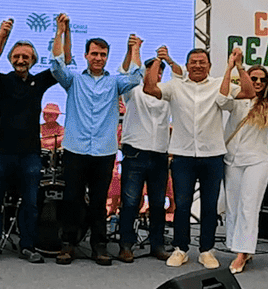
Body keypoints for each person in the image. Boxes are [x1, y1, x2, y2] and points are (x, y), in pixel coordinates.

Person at [50, 14, 143, 266]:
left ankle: (99, 246)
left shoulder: (114, 82)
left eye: (102, 55)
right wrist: (60, 32)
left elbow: (135, 77)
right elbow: (56, 65)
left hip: (103, 150)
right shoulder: (74, 80)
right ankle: (68, 245)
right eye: (94, 54)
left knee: (100, 202)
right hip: (76, 149)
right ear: (86, 56)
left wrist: (135, 49)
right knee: (72, 199)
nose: (98, 58)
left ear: (106, 57)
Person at [0, 18, 58, 263]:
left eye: (26, 57)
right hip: (0, 153)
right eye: (17, 56)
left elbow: (59, 64)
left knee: (31, 204)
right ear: (10, 59)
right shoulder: (2, 81)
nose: (21, 60)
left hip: (30, 154)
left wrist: (62, 32)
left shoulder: (39, 81)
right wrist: (1, 36)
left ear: (33, 60)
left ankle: (28, 246)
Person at [144, 45, 230, 269]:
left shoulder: (218, 85)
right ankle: (181, 249)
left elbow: (248, 93)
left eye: (202, 62)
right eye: (194, 62)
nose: (198, 66)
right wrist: (157, 59)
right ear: (187, 65)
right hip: (183, 155)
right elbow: (150, 88)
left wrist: (235, 66)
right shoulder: (175, 86)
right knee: (181, 205)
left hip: (212, 154)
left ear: (209, 66)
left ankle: (207, 250)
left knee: (210, 206)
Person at [219, 59, 268, 273]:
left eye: (262, 80)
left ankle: (241, 254)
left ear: (266, 84)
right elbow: (221, 100)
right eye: (253, 78)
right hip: (232, 160)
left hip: (257, 161)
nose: (256, 82)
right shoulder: (236, 99)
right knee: (233, 206)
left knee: (249, 206)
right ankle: (240, 247)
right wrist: (232, 68)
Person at [117, 52, 177, 263]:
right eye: (153, 71)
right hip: (135, 152)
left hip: (159, 153)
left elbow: (181, 76)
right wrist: (133, 50)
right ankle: (126, 245)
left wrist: (166, 60)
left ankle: (157, 245)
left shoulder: (167, 94)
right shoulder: (134, 91)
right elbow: (124, 72)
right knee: (131, 201)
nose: (157, 76)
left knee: (158, 203)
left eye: (160, 72)